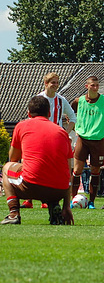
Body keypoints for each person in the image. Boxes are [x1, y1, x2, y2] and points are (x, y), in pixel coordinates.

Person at [2, 96, 74, 225]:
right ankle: (54, 206)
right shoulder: (62, 132)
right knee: (53, 173)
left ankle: (13, 213)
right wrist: (67, 206)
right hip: (59, 190)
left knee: (7, 167)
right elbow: (69, 169)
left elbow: (13, 158)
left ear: (29, 113)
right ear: (49, 113)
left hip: (31, 186)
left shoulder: (22, 125)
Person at [21, 72, 77, 210]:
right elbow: (30, 118)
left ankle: (45, 199)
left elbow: (73, 118)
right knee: (35, 166)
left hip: (54, 140)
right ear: (46, 83)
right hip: (39, 139)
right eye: (53, 82)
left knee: (51, 168)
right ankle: (28, 199)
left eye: (57, 82)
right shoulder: (38, 99)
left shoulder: (61, 100)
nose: (55, 85)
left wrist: (64, 133)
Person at [70, 75, 104, 209]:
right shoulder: (78, 101)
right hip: (82, 138)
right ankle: (73, 199)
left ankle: (91, 202)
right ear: (87, 86)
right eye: (93, 85)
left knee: (95, 170)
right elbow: (69, 113)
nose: (95, 87)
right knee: (77, 169)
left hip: (98, 139)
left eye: (97, 85)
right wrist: (74, 127)